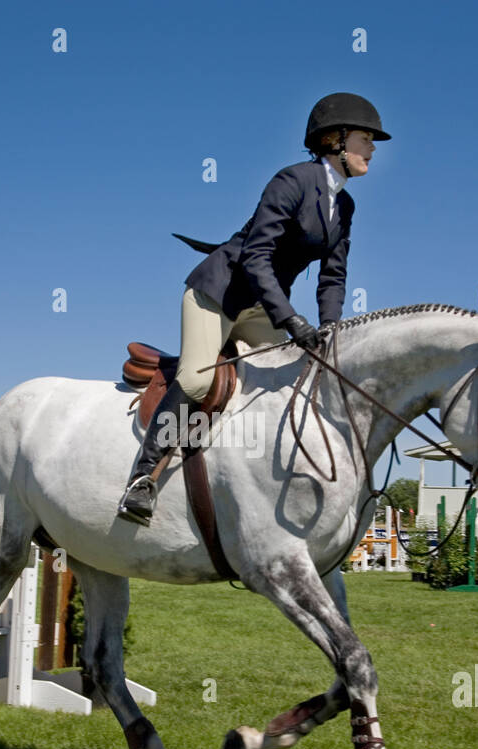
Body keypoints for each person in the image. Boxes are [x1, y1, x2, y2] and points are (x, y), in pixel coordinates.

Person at [117, 92, 391, 526]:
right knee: (194, 379)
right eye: (365, 138)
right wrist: (292, 320)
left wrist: (330, 329)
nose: (373, 147)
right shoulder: (292, 181)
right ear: (334, 140)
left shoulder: (346, 207)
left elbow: (333, 277)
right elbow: (256, 256)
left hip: (262, 305)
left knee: (292, 380)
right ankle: (141, 480)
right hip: (219, 293)